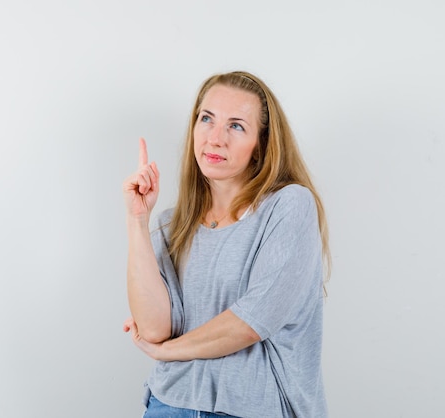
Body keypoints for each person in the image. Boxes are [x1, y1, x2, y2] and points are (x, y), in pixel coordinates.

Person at [122, 71, 330, 417]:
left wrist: (168, 351)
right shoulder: (172, 223)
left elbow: (251, 322)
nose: (215, 139)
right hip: (170, 404)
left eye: (236, 126)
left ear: (261, 143)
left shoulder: (288, 206)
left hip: (253, 408)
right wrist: (137, 221)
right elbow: (156, 328)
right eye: (207, 119)